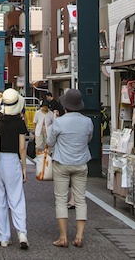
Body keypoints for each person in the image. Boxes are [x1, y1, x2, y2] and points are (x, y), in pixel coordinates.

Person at [46, 88, 94, 248]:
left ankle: (63, 237)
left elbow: (50, 142)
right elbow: (89, 139)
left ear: (65, 105)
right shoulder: (88, 121)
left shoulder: (59, 122)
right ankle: (79, 236)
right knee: (80, 200)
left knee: (61, 199)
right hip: (81, 163)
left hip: (62, 163)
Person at [0, 88, 29, 249]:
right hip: (12, 160)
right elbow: (22, 148)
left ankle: (3, 237)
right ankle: (22, 233)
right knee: (17, 198)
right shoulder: (19, 122)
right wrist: (24, 167)